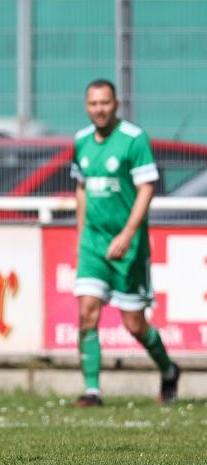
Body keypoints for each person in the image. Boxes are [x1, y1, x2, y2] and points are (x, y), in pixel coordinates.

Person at [71, 78, 180, 407]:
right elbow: (80, 188)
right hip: (93, 243)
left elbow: (147, 188)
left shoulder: (134, 139)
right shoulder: (80, 141)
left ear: (116, 104)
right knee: (87, 311)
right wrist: (81, 236)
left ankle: (169, 369)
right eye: (93, 103)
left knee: (134, 324)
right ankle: (92, 390)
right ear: (86, 106)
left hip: (128, 246)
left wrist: (128, 234)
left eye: (105, 103)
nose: (99, 109)